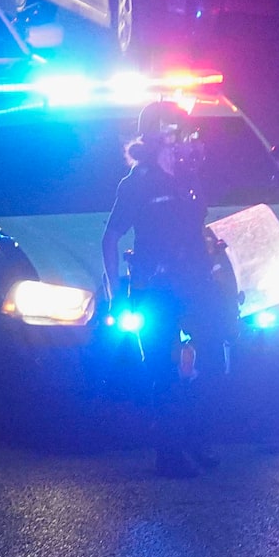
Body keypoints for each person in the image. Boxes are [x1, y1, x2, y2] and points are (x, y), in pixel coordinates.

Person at [100, 101, 229, 475]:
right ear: (159, 137)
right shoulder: (138, 182)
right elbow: (111, 237)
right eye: (178, 135)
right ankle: (169, 454)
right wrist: (113, 294)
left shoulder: (190, 178)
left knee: (210, 360)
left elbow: (198, 225)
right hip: (156, 285)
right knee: (163, 368)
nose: (186, 141)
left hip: (195, 281)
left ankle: (197, 440)